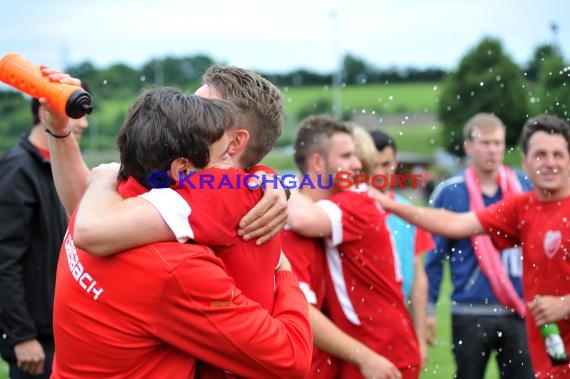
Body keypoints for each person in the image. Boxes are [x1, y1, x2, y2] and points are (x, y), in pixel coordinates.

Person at [45, 86, 312, 378]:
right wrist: (284, 272)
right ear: (183, 170)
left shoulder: (104, 199)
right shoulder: (178, 268)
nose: (234, 173)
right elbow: (290, 358)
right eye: (223, 157)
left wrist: (269, 179)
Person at [377, 114, 570, 379]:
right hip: (530, 337)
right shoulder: (523, 206)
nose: (550, 163)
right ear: (525, 161)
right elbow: (455, 225)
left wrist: (566, 304)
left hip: (522, 318)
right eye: (540, 155)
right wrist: (390, 204)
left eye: (558, 155)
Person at [287, 115, 420, 379]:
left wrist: (276, 186)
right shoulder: (299, 225)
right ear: (317, 162)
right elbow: (301, 309)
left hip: (378, 355)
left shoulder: (350, 203)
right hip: (369, 352)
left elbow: (303, 218)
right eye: (347, 156)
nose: (357, 165)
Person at [421, 113, 534, 379]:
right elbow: (434, 257)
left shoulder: (526, 187)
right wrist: (428, 309)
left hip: (520, 310)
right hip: (469, 312)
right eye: (484, 143)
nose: (492, 150)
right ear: (468, 146)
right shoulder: (450, 192)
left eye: (497, 143)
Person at [0, 93, 88, 378]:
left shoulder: (65, 169)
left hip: (66, 331)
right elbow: (4, 260)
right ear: (45, 113)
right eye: (77, 113)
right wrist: (21, 335)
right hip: (36, 341)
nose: (85, 124)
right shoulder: (18, 169)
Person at [364, 128, 434, 367]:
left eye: (387, 164)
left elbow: (417, 277)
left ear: (395, 163)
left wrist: (420, 338)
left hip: (398, 321)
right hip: (356, 323)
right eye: (374, 165)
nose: (380, 172)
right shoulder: (341, 209)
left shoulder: (407, 212)